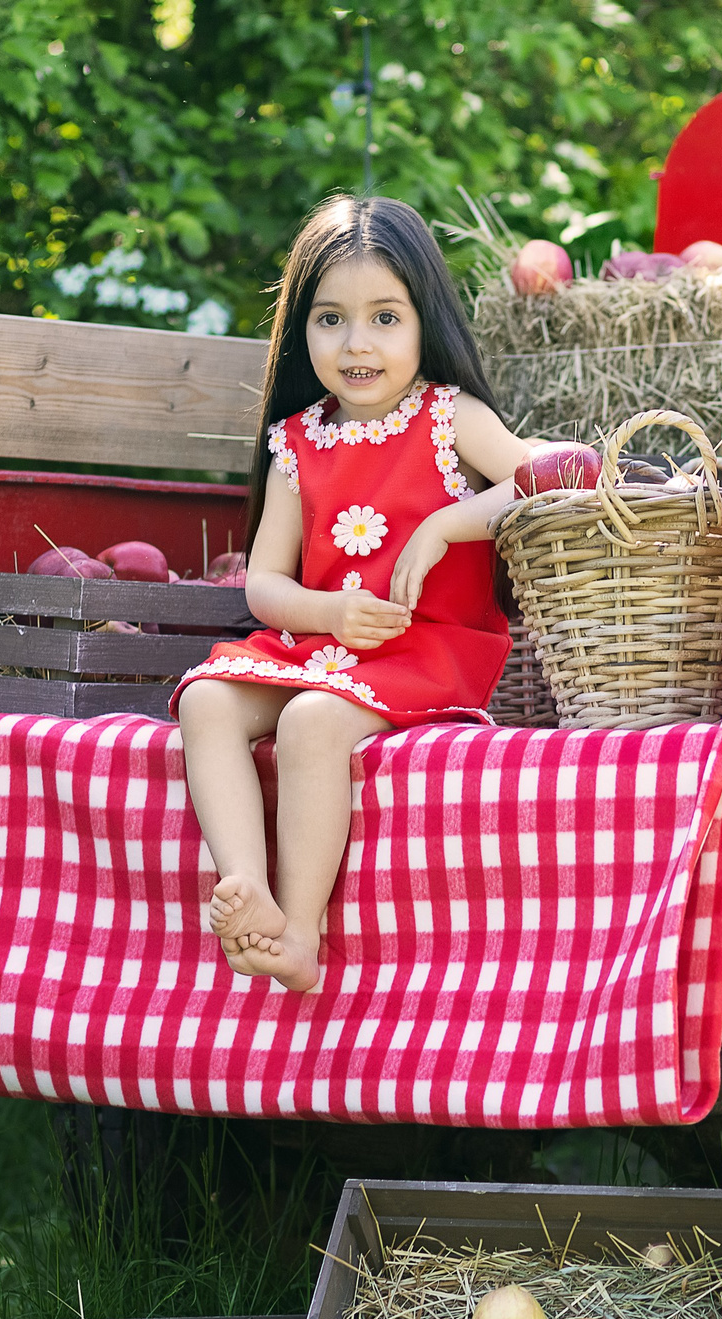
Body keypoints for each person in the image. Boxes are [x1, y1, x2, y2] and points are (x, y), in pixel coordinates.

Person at [172, 195, 531, 993]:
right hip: (330, 643)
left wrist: (447, 525)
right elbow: (265, 582)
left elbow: (556, 470)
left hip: (428, 649)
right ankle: (248, 885)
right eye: (330, 319)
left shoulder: (449, 417)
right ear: (301, 328)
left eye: (384, 317)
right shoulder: (301, 439)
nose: (357, 343)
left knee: (309, 721)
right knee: (204, 701)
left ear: (423, 320)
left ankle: (300, 932)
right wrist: (329, 612)